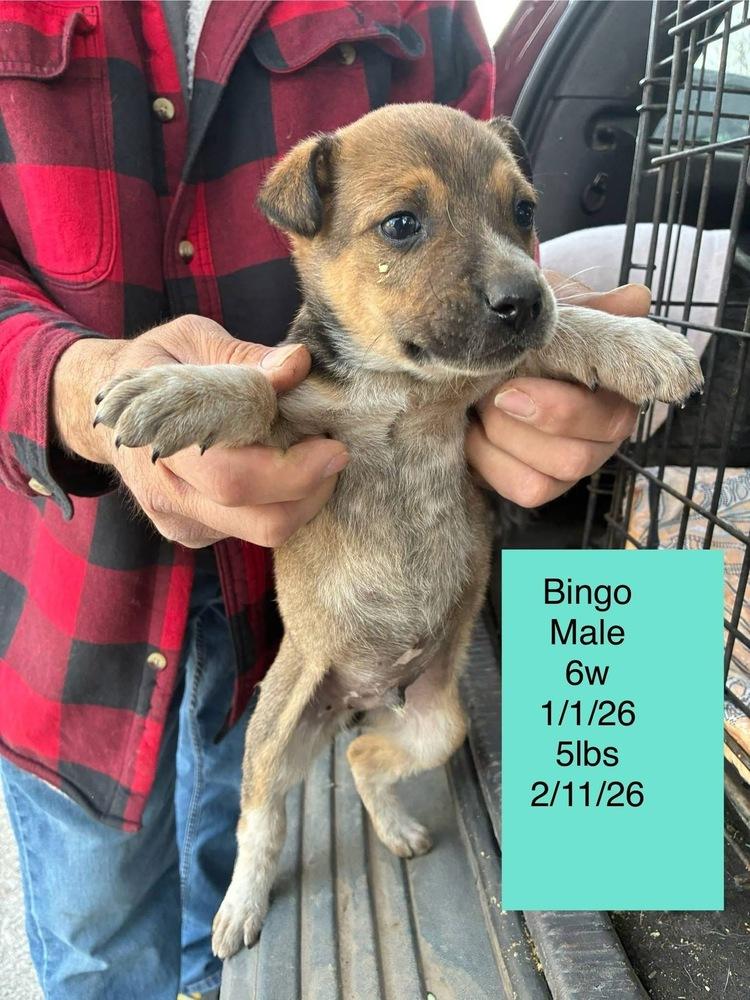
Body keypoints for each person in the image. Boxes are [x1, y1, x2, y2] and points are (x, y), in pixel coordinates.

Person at [0, 2, 640, 998]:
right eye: (403, 224)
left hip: (299, 588)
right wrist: (78, 393)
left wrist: (559, 388)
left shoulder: (426, 13)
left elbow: (502, 241)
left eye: (522, 213)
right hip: (73, 576)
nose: (512, 260)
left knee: (236, 877)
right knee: (99, 933)